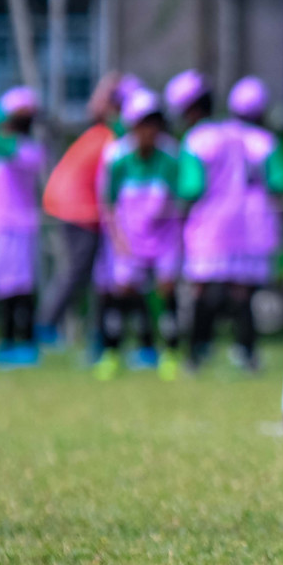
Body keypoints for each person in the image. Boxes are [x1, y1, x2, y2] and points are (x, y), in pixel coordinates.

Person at [40, 73, 137, 348]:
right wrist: (107, 91)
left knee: (96, 276)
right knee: (78, 273)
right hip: (79, 210)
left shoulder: (107, 133)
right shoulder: (112, 135)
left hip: (80, 207)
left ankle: (97, 334)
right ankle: (45, 328)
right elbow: (96, 109)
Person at [168, 70, 256, 373]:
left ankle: (196, 353)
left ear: (191, 109)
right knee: (239, 289)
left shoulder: (196, 141)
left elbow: (192, 187)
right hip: (240, 222)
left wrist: (176, 212)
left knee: (201, 289)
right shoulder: (233, 134)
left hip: (207, 224)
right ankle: (247, 351)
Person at [93, 88, 183, 380]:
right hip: (128, 237)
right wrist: (119, 240)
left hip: (164, 238)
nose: (150, 130)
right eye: (144, 123)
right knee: (121, 292)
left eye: (155, 123)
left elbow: (180, 200)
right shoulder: (117, 158)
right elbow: (108, 203)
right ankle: (111, 354)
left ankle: (169, 353)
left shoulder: (170, 157)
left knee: (166, 290)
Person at [0, 86, 45, 365]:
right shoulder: (5, 146)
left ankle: (24, 343)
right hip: (2, 225)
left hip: (19, 227)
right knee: (5, 287)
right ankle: (7, 343)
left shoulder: (24, 148)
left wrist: (7, 110)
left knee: (20, 287)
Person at [227, 76, 283, 369]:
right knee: (248, 290)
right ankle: (246, 348)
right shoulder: (265, 142)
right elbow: (278, 186)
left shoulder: (217, 136)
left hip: (223, 221)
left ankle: (229, 347)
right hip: (257, 221)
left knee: (226, 285)